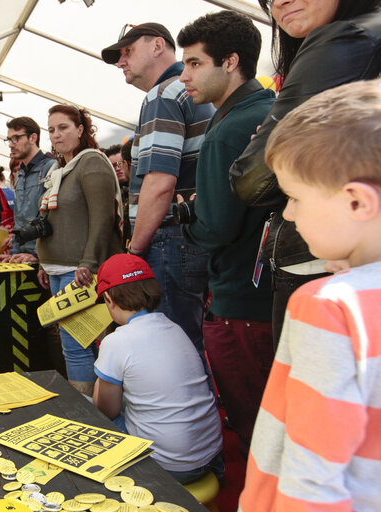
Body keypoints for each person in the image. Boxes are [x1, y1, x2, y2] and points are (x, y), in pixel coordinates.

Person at [240, 79, 381, 512]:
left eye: (295, 197)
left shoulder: (327, 307)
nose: (288, 213)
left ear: (356, 203)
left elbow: (311, 479)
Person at [230, 0, 381, 343]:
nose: (279, 3)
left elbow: (252, 177)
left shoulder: (345, 39)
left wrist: (268, 145)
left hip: (316, 267)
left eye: (296, 196)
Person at [177, 10, 276, 454]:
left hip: (241, 299)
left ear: (231, 62)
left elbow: (215, 230)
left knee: (258, 431)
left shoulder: (225, 131)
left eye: (195, 64)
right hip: (277, 294)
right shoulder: (273, 110)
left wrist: (190, 218)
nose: (184, 76)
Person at [101, 23, 214, 358]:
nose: (121, 61)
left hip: (168, 238)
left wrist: (135, 250)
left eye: (127, 51)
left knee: (173, 347)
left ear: (157, 46)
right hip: (191, 233)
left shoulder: (163, 94)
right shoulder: (192, 91)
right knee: (190, 340)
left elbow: (159, 182)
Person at [93, 253, 223, 484]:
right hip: (209, 452)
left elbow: (105, 410)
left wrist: (102, 369)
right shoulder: (174, 327)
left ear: (109, 300)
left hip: (169, 464)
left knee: (85, 408)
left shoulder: (117, 341)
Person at [36, 104, 123, 396]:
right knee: (73, 345)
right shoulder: (58, 170)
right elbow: (53, 222)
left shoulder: (91, 162)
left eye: (63, 128)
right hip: (57, 269)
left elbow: (103, 218)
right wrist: (42, 263)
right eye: (51, 130)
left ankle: (90, 410)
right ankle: (90, 406)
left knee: (81, 346)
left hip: (81, 270)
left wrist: (89, 262)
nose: (56, 135)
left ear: (81, 130)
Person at [0, 116, 55, 264]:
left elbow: (52, 218)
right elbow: (20, 220)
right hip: (24, 257)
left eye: (16, 138)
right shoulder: (20, 174)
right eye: (9, 139)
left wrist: (37, 255)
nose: (10, 144)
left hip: (44, 259)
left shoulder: (50, 167)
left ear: (33, 138)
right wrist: (13, 253)